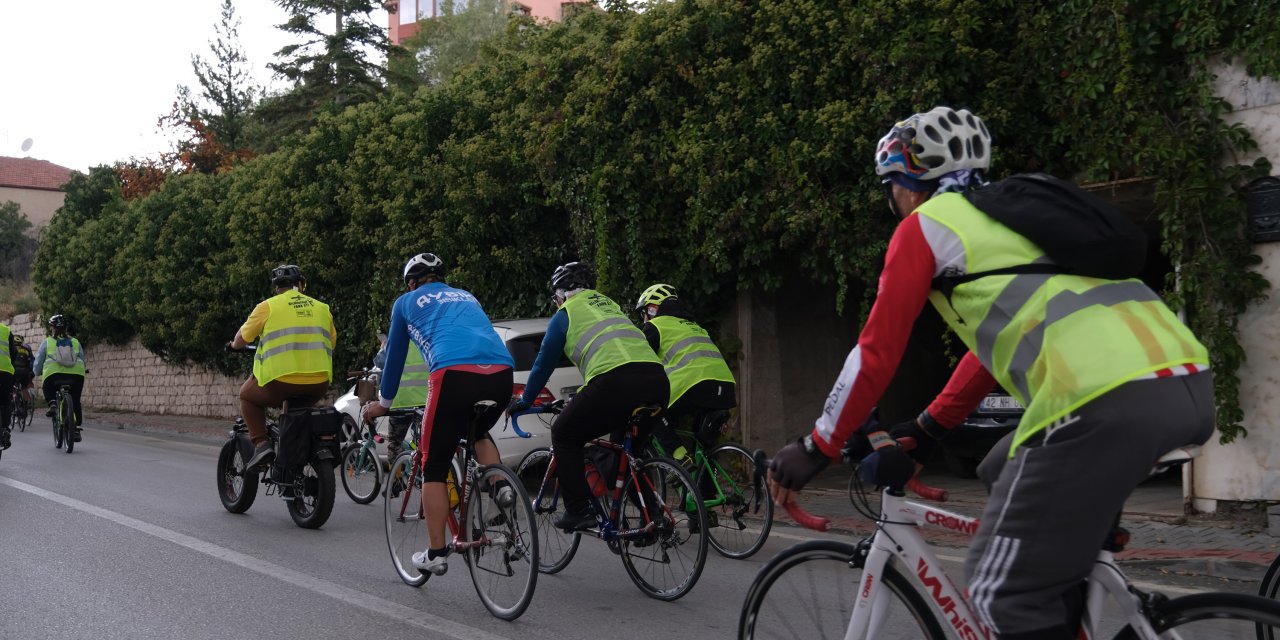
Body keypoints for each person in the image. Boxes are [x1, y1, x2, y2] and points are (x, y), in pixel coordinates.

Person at [768, 106, 1213, 640]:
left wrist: (817, 446)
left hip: (1101, 402)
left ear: (910, 182)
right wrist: (931, 427)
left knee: (1000, 592)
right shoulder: (1017, 220)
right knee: (1001, 467)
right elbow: (993, 346)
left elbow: (875, 351)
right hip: (1185, 380)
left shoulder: (927, 228)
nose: (894, 201)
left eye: (892, 187)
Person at [361, 253, 515, 577]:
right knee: (479, 433)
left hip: (453, 375)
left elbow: (395, 358)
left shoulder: (405, 302)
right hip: (502, 372)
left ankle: (436, 552)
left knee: (433, 464)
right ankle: (502, 487)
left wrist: (382, 405)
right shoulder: (466, 295)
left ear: (412, 282)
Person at [507, 261, 669, 531]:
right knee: (629, 456)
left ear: (561, 294)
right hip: (657, 382)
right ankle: (652, 519)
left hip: (614, 383)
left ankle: (579, 509)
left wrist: (525, 401)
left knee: (563, 433)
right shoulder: (610, 305)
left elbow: (543, 363)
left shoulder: (567, 312)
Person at [227, 265, 337, 470]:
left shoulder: (268, 306)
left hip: (279, 382)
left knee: (246, 396)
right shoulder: (323, 308)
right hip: (318, 383)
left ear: (277, 287)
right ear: (301, 284)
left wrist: (233, 346)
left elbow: (242, 338)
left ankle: (261, 445)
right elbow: (331, 343)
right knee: (294, 410)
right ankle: (291, 459)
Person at [634, 283, 736, 461]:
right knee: (705, 448)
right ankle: (706, 487)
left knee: (650, 414)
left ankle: (680, 458)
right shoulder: (695, 326)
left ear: (653, 308)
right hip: (726, 387)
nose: (645, 319)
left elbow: (637, 363)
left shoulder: (655, 327)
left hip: (693, 386)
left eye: (645, 313)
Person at [34, 314, 88, 441]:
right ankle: (76, 428)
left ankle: (52, 403)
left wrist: (37, 372)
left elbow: (38, 361)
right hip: (77, 375)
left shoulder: (47, 342)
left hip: (53, 375)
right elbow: (82, 359)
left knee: (47, 387)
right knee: (75, 401)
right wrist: (82, 369)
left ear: (52, 327)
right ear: (66, 328)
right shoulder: (75, 341)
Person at [0, 321, 14, 449]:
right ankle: (5, 428)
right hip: (5, 373)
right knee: (6, 401)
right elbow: (13, 353)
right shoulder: (6, 330)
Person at [12, 335, 35, 407]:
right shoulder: (26, 349)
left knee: (12, 387)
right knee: (24, 387)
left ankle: (14, 402)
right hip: (25, 372)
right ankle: (26, 404)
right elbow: (31, 361)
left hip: (14, 372)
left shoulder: (11, 349)